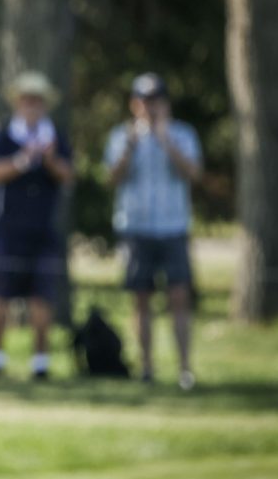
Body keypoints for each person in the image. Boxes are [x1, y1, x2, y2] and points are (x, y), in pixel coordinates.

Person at [104, 72, 202, 390]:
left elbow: (193, 173)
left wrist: (165, 141)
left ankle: (185, 368)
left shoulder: (182, 134)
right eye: (145, 101)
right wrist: (132, 145)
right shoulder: (122, 136)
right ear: (135, 105)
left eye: (156, 100)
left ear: (166, 103)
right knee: (141, 300)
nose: (151, 107)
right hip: (136, 228)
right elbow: (112, 178)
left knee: (178, 297)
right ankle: (146, 367)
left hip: (173, 227)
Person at [0, 72, 74, 379]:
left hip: (43, 229)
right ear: (18, 104)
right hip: (6, 229)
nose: (32, 105)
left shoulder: (56, 138)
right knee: (0, 294)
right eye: (27, 100)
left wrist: (48, 160)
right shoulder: (5, 137)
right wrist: (23, 160)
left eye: (37, 100)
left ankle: (40, 362)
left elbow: (68, 175)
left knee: (41, 295)